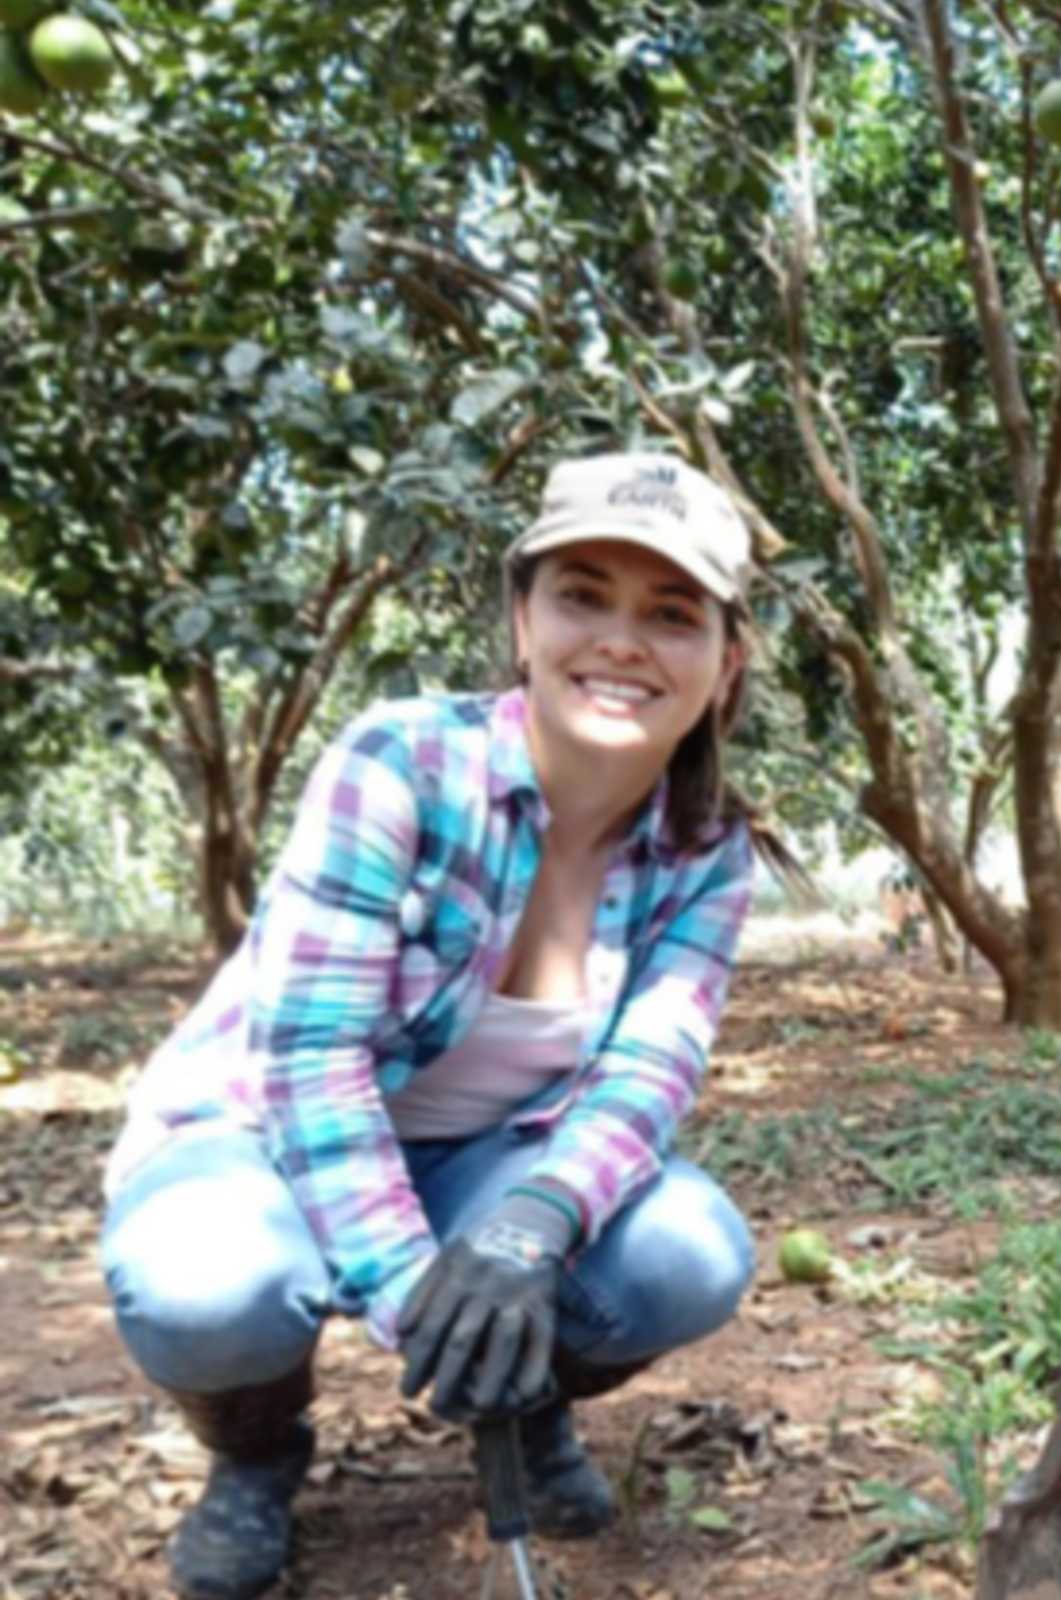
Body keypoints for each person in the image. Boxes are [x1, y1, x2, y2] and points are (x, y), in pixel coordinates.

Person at [100, 452, 790, 1600]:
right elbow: (311, 1063)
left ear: (724, 667)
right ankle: (258, 1449)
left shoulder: (703, 845)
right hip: (264, 1136)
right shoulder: (405, 761)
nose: (622, 639)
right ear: (522, 621)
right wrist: (420, 1297)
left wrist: (532, 1223)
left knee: (687, 1252)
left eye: (672, 615)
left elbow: (651, 1067)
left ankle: (530, 1404)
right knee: (209, 1281)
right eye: (582, 596)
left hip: (483, 1156)